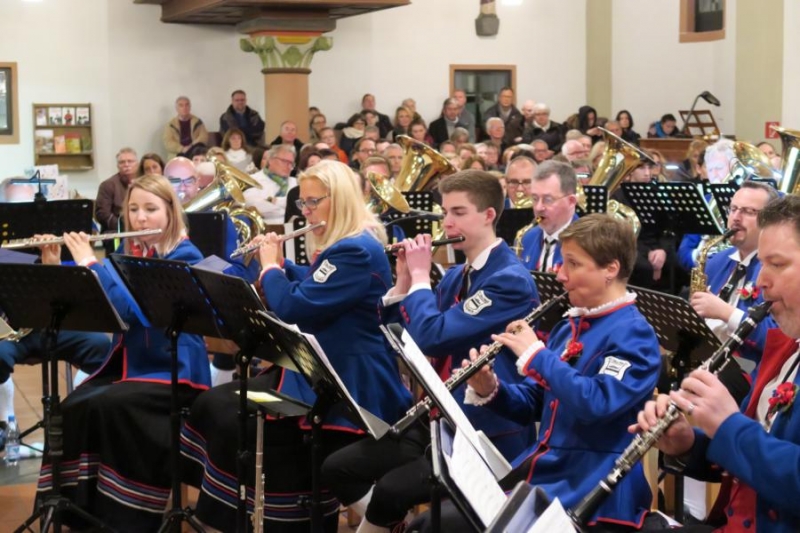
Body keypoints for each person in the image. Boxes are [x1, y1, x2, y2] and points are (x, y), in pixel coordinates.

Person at [181, 160, 411, 533]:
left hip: (350, 381)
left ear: (339, 200)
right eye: (302, 202)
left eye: (312, 202)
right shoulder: (349, 246)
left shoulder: (354, 250)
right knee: (216, 404)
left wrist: (270, 268)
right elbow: (317, 283)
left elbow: (294, 307)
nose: (305, 211)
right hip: (319, 369)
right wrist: (285, 266)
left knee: (229, 413)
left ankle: (371, 521)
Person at [410, 214, 662, 532]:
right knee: (431, 522)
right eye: (563, 262)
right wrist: (491, 389)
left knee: (437, 526)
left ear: (610, 269)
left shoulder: (634, 334)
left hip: (594, 491)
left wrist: (537, 356)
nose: (560, 274)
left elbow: (596, 403)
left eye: (573, 264)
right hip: (548, 475)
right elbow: (535, 404)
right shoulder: (568, 327)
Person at [321, 169, 540, 533]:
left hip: (485, 432)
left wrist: (422, 278)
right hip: (439, 419)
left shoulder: (509, 280)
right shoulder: (456, 275)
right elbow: (402, 340)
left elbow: (432, 337)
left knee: (391, 490)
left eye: (458, 212)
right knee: (338, 468)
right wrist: (405, 283)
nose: (447, 222)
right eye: (445, 212)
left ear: (488, 215)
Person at [36, 174, 210, 532]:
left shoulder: (184, 256)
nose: (140, 218)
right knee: (72, 407)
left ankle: (124, 519)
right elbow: (96, 302)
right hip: (139, 368)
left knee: (109, 406)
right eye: (133, 209)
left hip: (174, 373)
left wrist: (90, 262)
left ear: (171, 211)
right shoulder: (139, 254)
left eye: (150, 209)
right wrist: (55, 264)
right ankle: (78, 513)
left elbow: (134, 312)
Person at [633, 194, 800, 532]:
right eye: (762, 264)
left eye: (777, 264)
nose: (761, 280)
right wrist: (688, 442)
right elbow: (753, 449)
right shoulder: (784, 347)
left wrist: (728, 424)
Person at [690, 181, 779, 365]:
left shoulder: (777, 270)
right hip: (706, 355)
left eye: (748, 211)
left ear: (770, 221)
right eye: (733, 209)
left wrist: (726, 312)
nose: (736, 218)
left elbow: (777, 338)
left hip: (748, 366)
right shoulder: (716, 261)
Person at [517, 160, 579, 271]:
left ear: (571, 201)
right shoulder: (527, 238)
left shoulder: (588, 244)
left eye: (548, 200)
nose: (538, 207)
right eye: (535, 198)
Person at [95, 147, 139, 254]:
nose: (126, 165)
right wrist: (125, 227)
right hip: (116, 231)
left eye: (130, 161)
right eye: (122, 162)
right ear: (117, 166)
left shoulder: (144, 183)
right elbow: (102, 214)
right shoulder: (107, 185)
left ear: (137, 164)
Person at [244, 144, 297, 224]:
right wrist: (287, 207)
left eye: (291, 163)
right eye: (284, 161)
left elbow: (299, 207)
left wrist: (275, 201)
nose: (289, 166)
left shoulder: (296, 183)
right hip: (263, 227)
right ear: (270, 160)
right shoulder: (252, 180)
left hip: (292, 228)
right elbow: (254, 207)